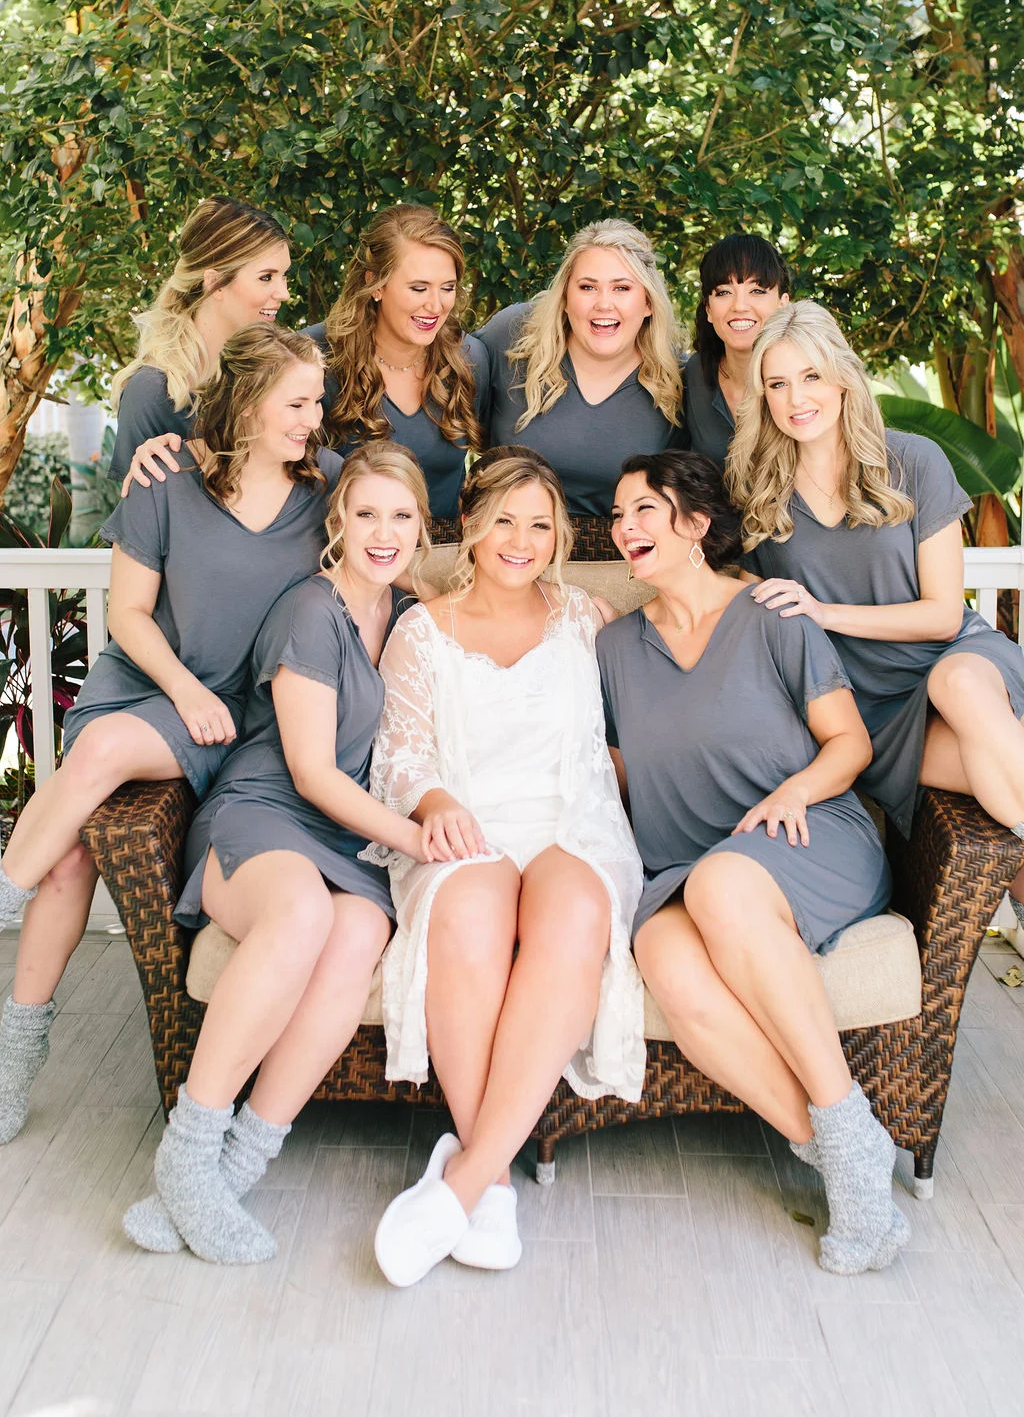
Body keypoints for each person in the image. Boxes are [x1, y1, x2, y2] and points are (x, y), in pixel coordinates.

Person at [0, 322, 341, 1146]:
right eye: (297, 403)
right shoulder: (166, 478)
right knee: (71, 855)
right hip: (152, 686)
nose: (314, 418)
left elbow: (389, 532)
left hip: (240, 714)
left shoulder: (327, 483)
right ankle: (14, 1057)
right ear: (248, 403)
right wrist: (183, 692)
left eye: (317, 402)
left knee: (98, 765)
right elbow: (126, 614)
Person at [121, 443, 437, 1264]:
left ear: (422, 527)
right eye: (366, 514)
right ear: (339, 523)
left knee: (360, 932)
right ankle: (188, 1151)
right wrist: (413, 839)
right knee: (300, 913)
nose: (383, 532)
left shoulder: (410, 613)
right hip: (265, 810)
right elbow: (311, 773)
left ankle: (235, 1168)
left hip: (346, 836)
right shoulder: (312, 609)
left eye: (401, 516)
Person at [599, 449, 906, 1275]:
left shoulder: (772, 615)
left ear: (696, 525)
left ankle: (840, 1116)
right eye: (619, 514)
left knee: (726, 885)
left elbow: (849, 743)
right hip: (682, 866)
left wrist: (793, 794)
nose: (624, 527)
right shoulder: (615, 646)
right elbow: (612, 770)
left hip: (808, 836)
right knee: (666, 958)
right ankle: (844, 1153)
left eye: (644, 510)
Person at [367, 447, 645, 1287]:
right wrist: (434, 803)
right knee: (470, 907)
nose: (521, 542)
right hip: (465, 823)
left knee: (573, 912)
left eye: (539, 525)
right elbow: (401, 757)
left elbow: (642, 725)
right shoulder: (422, 631)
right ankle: (487, 1183)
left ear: (560, 534)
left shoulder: (588, 617)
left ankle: (464, 1180)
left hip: (572, 819)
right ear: (469, 526)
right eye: (503, 522)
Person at [728, 301, 1024, 904]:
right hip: (875, 714)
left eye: (811, 376)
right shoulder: (757, 490)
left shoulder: (913, 461)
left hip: (958, 664)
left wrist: (824, 612)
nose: (796, 398)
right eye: (777, 384)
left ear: (842, 376)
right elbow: (747, 607)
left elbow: (943, 615)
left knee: (959, 685)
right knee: (999, 789)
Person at [474, 220, 685, 515]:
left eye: (621, 288)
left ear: (648, 302)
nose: (604, 304)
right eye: (588, 287)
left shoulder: (678, 380)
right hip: (506, 538)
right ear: (564, 296)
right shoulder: (512, 335)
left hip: (616, 543)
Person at [305, 204, 488, 518]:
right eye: (419, 288)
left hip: (443, 544)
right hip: (343, 544)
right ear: (376, 283)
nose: (436, 306)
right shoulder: (315, 358)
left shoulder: (469, 358)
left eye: (447, 288)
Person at [108, 196, 293, 481]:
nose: (284, 293)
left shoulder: (280, 372)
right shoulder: (151, 394)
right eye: (266, 277)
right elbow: (135, 506)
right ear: (215, 283)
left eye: (284, 276)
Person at [683, 232, 791, 468]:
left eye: (757, 291)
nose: (740, 306)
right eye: (724, 292)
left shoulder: (811, 378)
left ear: (783, 304)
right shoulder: (695, 373)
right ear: (708, 309)